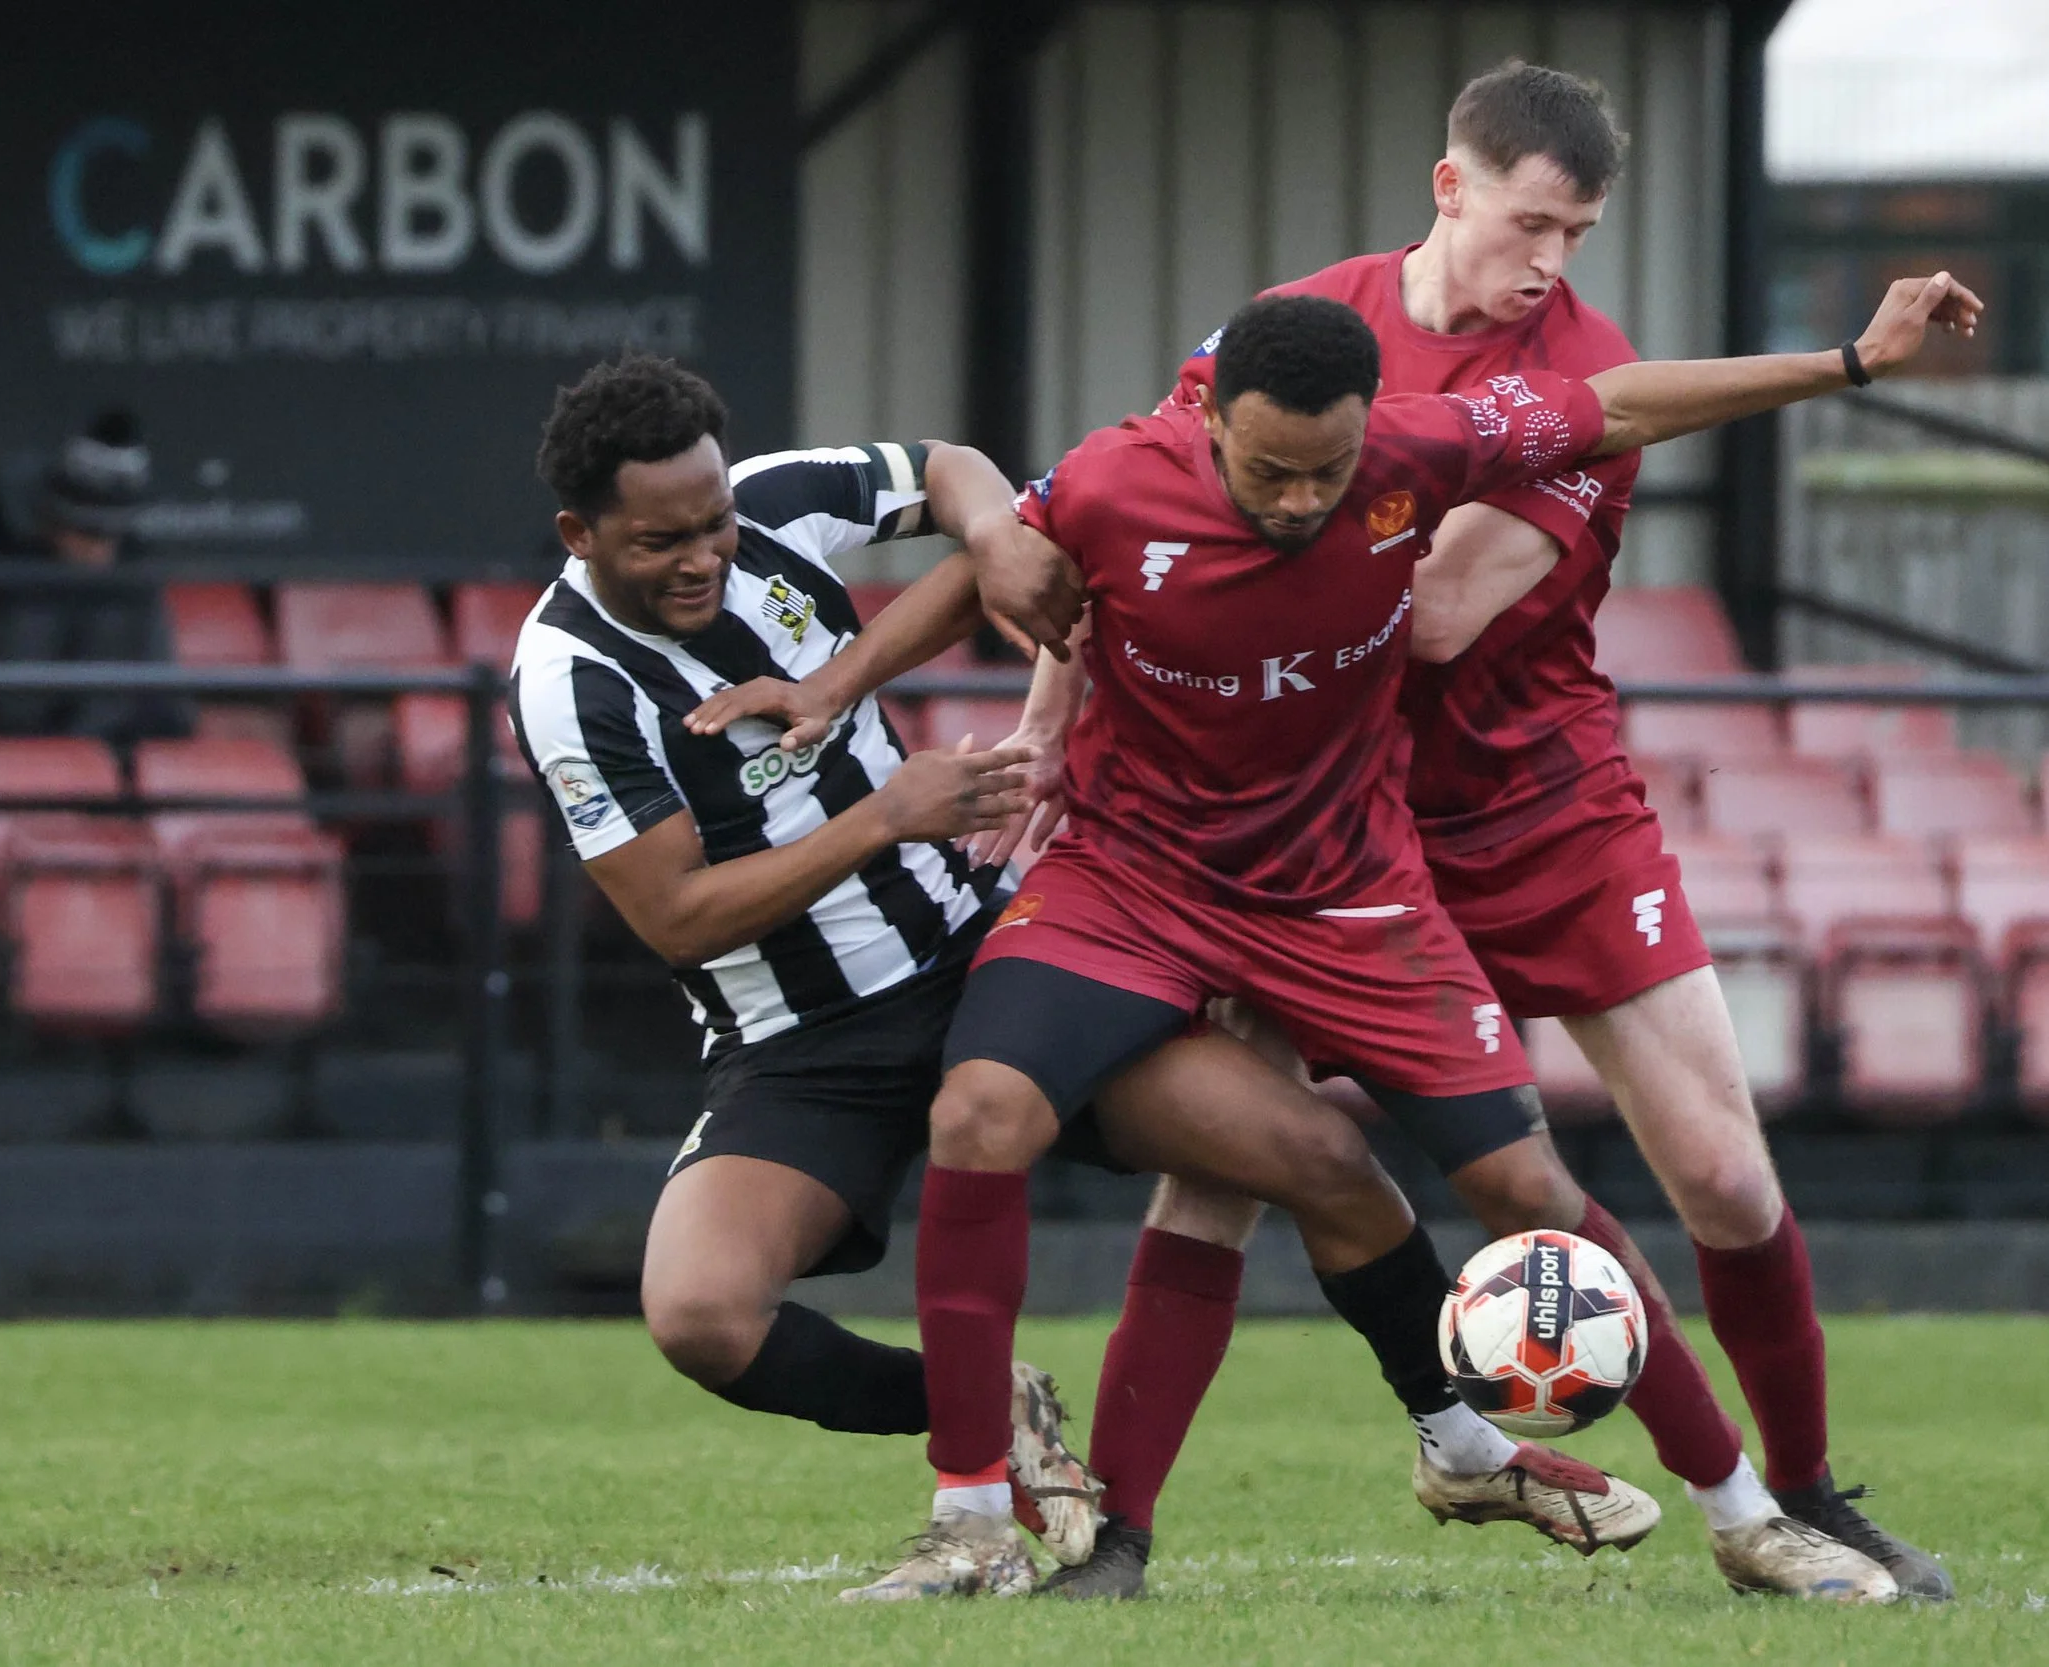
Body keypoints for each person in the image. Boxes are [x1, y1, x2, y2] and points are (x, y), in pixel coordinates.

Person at [783, 267, 1976, 1602]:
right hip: (1136, 881)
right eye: (1274, 473)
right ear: (1211, 420)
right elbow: (986, 562)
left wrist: (1845, 366)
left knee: (1530, 1195)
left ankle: (1749, 1513)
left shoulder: (1420, 450)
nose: (1303, 501)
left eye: (1329, 472)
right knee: (981, 1112)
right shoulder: (1119, 480)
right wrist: (840, 681)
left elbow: (1617, 404)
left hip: (1348, 895)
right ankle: (979, 1523)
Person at [509, 355, 1639, 1599]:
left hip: (982, 958)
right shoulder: (569, 677)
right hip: (800, 1039)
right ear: (581, 532)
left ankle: (1463, 1441)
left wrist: (997, 534)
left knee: (1321, 1162)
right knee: (700, 1317)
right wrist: (885, 815)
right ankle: (980, 1406)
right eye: (660, 540)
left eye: (713, 521)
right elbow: (675, 918)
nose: (703, 555)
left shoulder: (772, 502)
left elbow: (948, 471)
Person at [0, 409, 193, 749]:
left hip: (101, 769)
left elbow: (162, 700)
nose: (102, 551)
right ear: (51, 516)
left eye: (114, 536)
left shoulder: (132, 578)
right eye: (89, 532)